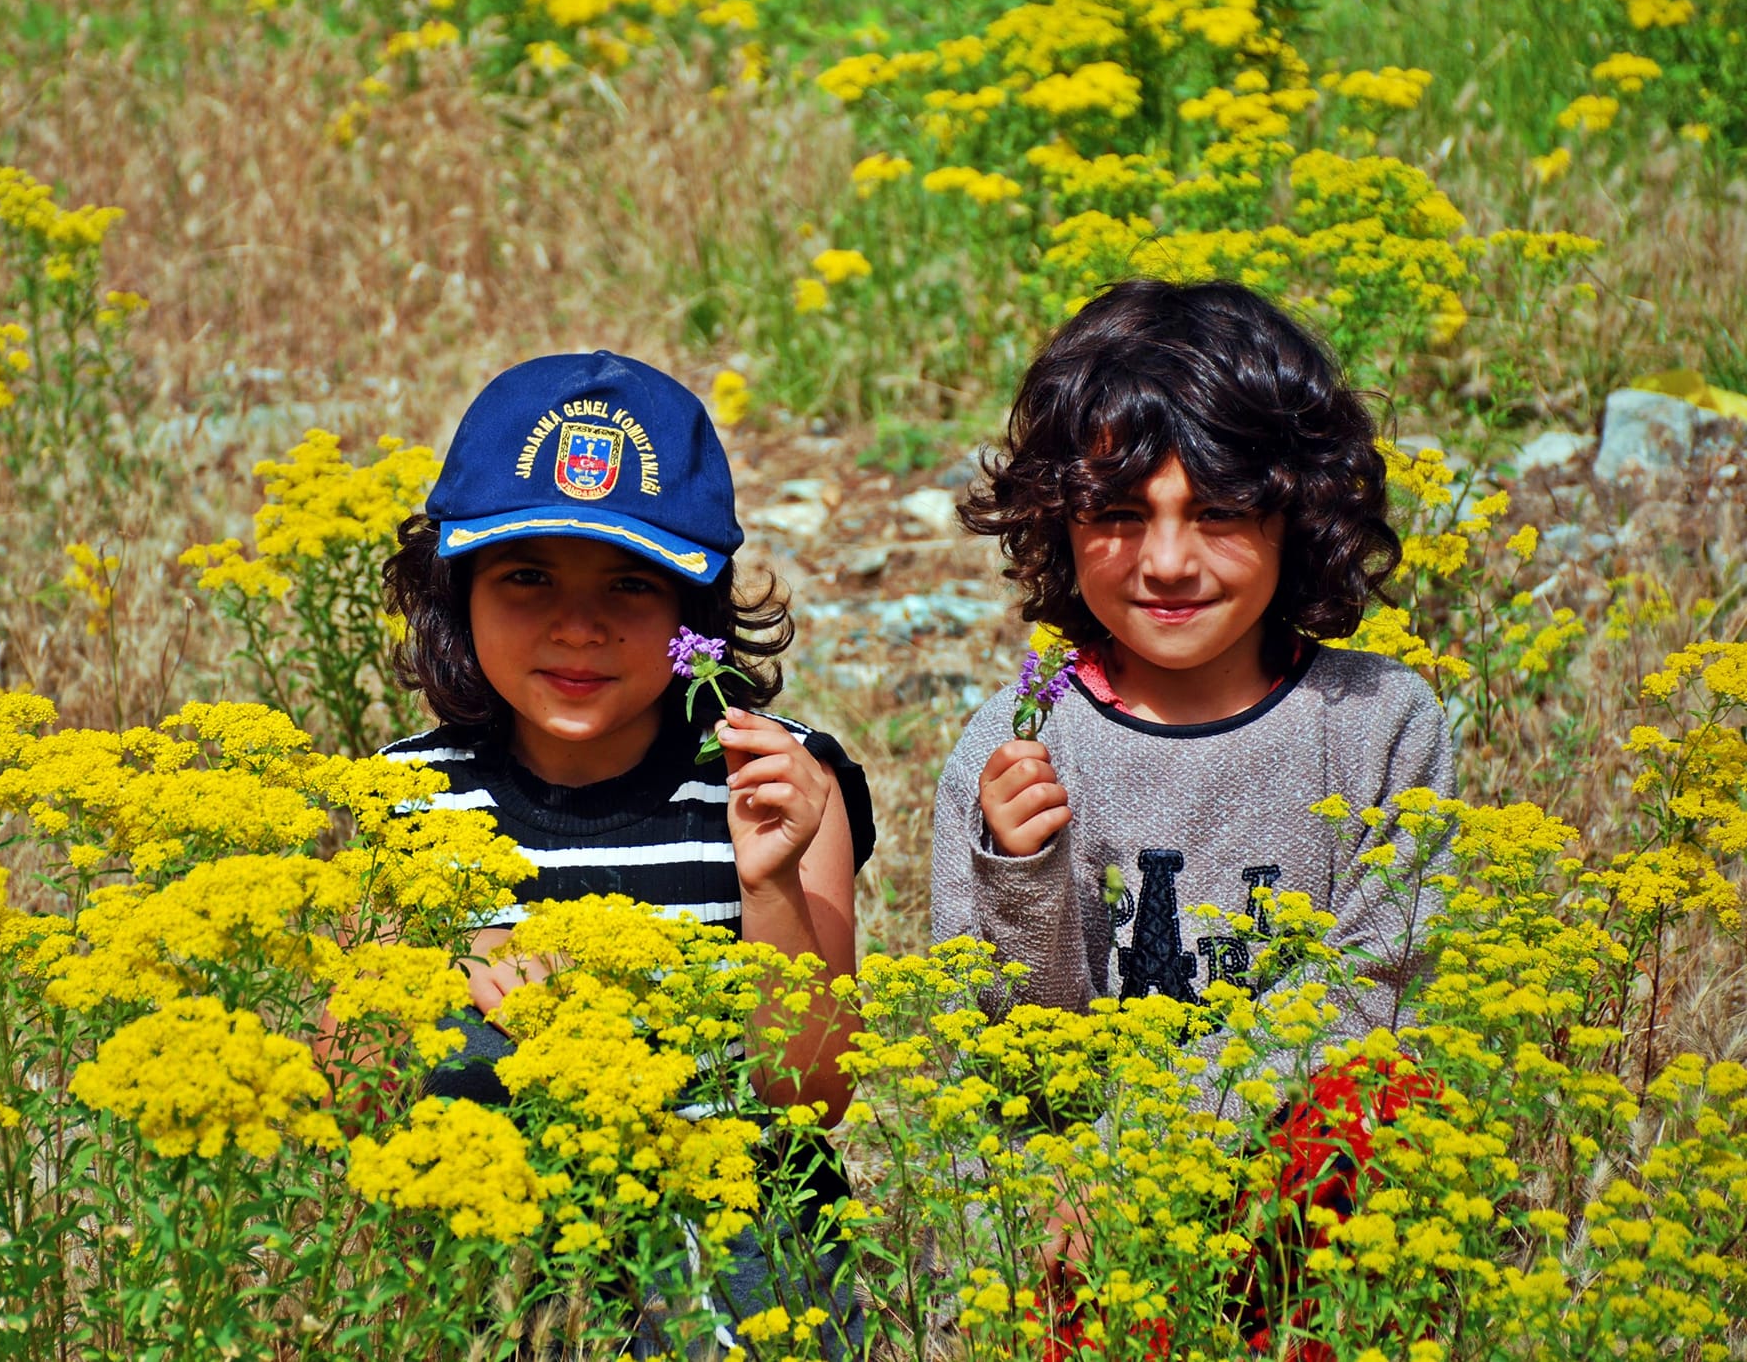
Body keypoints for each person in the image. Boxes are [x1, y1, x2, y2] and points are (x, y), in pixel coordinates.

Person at [930, 279, 1456, 1353]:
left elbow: (1373, 989)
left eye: (1217, 512)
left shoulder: (1378, 725)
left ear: (1298, 516)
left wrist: (1156, 1146)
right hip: (1084, 1214)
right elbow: (1014, 1063)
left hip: (1297, 1200)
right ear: (1057, 524)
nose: (1167, 562)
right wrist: (1020, 876)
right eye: (1119, 515)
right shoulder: (1017, 739)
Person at [379, 348, 872, 1353]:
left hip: (739, 1279)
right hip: (504, 1273)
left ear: (694, 615)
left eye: (628, 585)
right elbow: (350, 1086)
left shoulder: (780, 778)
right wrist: (439, 975)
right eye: (525, 577)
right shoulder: (414, 794)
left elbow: (812, 1094)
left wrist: (770, 879)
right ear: (454, 591)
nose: (577, 626)